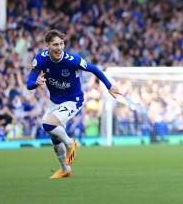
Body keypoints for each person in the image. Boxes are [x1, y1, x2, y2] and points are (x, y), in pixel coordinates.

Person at [26, 30, 122, 179]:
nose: (59, 48)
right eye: (55, 44)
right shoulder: (41, 59)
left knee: (47, 124)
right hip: (54, 101)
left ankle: (70, 143)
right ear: (48, 46)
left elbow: (94, 69)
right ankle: (65, 168)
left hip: (73, 100)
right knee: (54, 137)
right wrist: (36, 83)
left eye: (61, 44)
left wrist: (109, 86)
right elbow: (30, 82)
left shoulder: (72, 60)